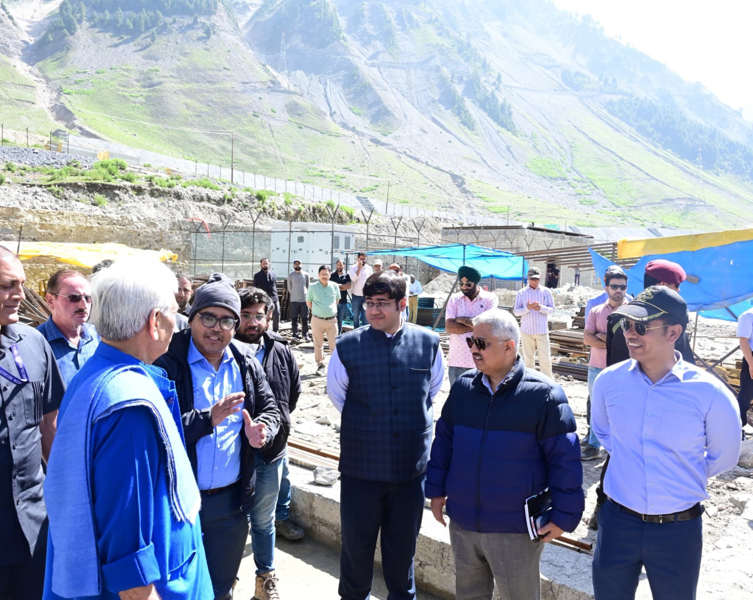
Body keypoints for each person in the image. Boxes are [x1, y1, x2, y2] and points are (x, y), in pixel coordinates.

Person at [43, 258, 213, 600]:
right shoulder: (127, 407)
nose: (177, 322)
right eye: (173, 312)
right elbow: (126, 547)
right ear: (154, 321)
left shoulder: (99, 373)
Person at [591, 286, 741, 600]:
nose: (630, 333)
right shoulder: (609, 382)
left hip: (677, 531)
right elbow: (604, 433)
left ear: (673, 332)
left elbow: (724, 456)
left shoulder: (710, 394)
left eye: (641, 326)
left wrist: (677, 472)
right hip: (618, 523)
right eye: (626, 324)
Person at [426, 309, 584, 600]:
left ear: (509, 346)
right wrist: (435, 491)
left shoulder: (544, 395)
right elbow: (443, 444)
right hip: (464, 523)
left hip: (514, 530)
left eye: (481, 343)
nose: (473, 349)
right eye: (471, 341)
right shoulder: (464, 388)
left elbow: (565, 461)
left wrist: (564, 516)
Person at [155, 273, 280, 600]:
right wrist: (207, 419)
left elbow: (271, 408)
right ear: (192, 318)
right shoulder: (166, 362)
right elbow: (155, 430)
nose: (217, 328)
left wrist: (262, 429)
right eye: (208, 317)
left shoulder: (244, 361)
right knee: (176, 588)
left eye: (227, 321)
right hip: (177, 503)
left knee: (220, 588)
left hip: (230, 503)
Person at [327, 271, 444, 600]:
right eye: (369, 303)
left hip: (409, 473)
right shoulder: (348, 346)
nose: (374, 311)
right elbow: (338, 395)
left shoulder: (428, 343)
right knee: (356, 552)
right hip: (361, 472)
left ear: (402, 304)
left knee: (402, 554)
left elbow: (432, 391)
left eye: (382, 303)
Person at [0, 248, 62, 600]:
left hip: (32, 525)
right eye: (7, 286)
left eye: (21, 284)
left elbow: (49, 423)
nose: (20, 295)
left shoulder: (34, 343)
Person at [236, 287, 304, 599]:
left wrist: (274, 428)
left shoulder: (281, 350)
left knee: (264, 522)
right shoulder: (223, 352)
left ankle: (265, 581)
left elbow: (292, 395)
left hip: (271, 454)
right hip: (232, 456)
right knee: (231, 523)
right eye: (245, 315)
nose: (252, 322)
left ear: (269, 316)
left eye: (258, 316)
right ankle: (224, 582)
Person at [605, 259, 695, 366]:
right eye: (676, 285)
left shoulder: (619, 317)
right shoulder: (670, 322)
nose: (678, 290)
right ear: (663, 285)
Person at [580, 266, 628, 461]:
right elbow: (587, 339)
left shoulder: (632, 313)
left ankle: (617, 447)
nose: (619, 291)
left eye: (622, 287)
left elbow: (631, 343)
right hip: (597, 367)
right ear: (606, 287)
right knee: (597, 407)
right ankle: (594, 445)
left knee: (621, 407)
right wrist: (613, 342)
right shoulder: (596, 311)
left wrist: (602, 337)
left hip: (624, 367)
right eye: (614, 286)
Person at [37, 269, 100, 387]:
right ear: (50, 301)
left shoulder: (98, 336)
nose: (83, 305)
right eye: (74, 298)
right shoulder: (36, 344)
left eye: (88, 298)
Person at [445, 266, 498, 385]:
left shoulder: (490, 299)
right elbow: (449, 327)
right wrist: (476, 324)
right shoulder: (454, 299)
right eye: (461, 284)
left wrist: (462, 320)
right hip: (457, 361)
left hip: (483, 360)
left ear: (476, 283)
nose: (464, 287)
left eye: (468, 284)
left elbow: (488, 328)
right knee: (458, 395)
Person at [513, 267, 555, 378]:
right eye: (532, 279)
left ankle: (548, 381)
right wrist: (527, 308)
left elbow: (552, 309)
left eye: (536, 279)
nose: (534, 281)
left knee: (545, 358)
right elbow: (516, 312)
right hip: (526, 331)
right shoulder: (521, 293)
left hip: (542, 330)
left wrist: (540, 308)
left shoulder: (546, 292)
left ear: (540, 279)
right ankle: (529, 380)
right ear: (528, 279)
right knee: (528, 359)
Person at [307, 265, 340, 374]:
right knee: (318, 344)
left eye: (326, 274)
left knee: (334, 344)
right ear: (318, 275)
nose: (324, 276)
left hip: (332, 321)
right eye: (322, 274)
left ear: (330, 274)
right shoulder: (312, 287)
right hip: (317, 320)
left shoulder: (334, 286)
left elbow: (337, 301)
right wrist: (319, 311)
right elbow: (309, 302)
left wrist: (328, 311)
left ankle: (336, 366)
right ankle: (320, 365)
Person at [736, 305, 753, 428]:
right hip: (751, 357)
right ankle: (738, 423)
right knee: (747, 393)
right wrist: (751, 364)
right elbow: (743, 341)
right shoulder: (748, 316)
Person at [253, 258, 280, 332]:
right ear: (261, 265)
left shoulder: (273, 274)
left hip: (274, 298)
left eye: (266, 263)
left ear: (269, 264)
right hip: (263, 299)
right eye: (264, 263)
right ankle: (264, 331)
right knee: (263, 316)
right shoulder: (257, 275)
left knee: (276, 314)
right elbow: (255, 288)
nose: (265, 265)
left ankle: (275, 331)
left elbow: (274, 286)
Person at [347, 253, 372, 329]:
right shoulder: (353, 268)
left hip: (366, 296)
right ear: (358, 259)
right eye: (361, 259)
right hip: (356, 296)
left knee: (365, 317)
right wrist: (359, 269)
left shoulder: (369, 268)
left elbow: (371, 281)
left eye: (364, 259)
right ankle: (356, 331)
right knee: (355, 317)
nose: (363, 260)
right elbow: (354, 279)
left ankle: (365, 333)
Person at [287, 260, 310, 340]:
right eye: (295, 264)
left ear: (301, 264)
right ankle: (295, 334)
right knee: (294, 318)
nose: (297, 265)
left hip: (304, 300)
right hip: (294, 300)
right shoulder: (291, 275)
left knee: (305, 318)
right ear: (293, 266)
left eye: (299, 264)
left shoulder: (306, 275)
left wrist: (305, 294)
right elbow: (289, 288)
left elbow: (308, 286)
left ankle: (305, 334)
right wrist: (294, 293)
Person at [330, 259, 351, 334]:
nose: (339, 266)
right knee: (332, 319)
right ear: (336, 265)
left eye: (341, 265)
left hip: (342, 301)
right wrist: (342, 286)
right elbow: (330, 286)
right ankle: (332, 335)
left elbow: (348, 286)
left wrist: (337, 286)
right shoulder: (332, 275)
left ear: (343, 265)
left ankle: (338, 335)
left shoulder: (347, 275)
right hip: (333, 301)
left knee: (340, 320)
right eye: (338, 265)